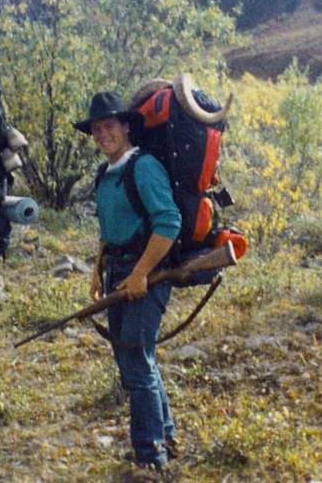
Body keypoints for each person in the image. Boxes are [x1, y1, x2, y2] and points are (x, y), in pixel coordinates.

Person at [74, 91, 182, 470]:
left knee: (135, 361)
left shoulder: (145, 167)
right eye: (97, 129)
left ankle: (150, 458)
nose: (103, 134)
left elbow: (168, 223)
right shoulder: (106, 173)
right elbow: (108, 230)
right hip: (117, 274)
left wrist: (141, 274)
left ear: (126, 127)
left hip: (148, 273)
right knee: (133, 357)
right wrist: (97, 273)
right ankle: (164, 433)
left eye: (109, 126)